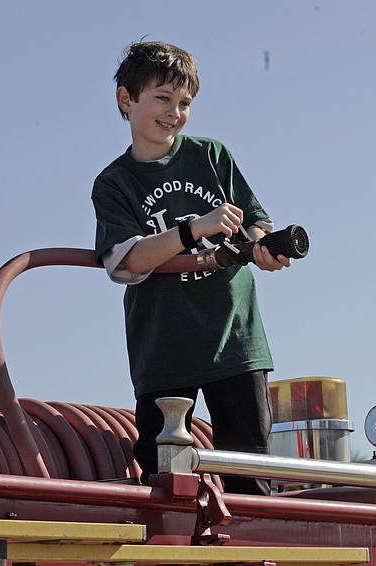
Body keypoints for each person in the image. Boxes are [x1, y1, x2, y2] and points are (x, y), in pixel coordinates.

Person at [92, 41, 291, 495]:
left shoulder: (211, 156)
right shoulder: (114, 182)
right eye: (162, 98)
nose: (174, 112)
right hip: (164, 353)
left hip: (237, 346)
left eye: (184, 103)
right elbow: (128, 258)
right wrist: (193, 229)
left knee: (251, 480)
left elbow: (256, 222)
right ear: (126, 100)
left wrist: (260, 248)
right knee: (165, 481)